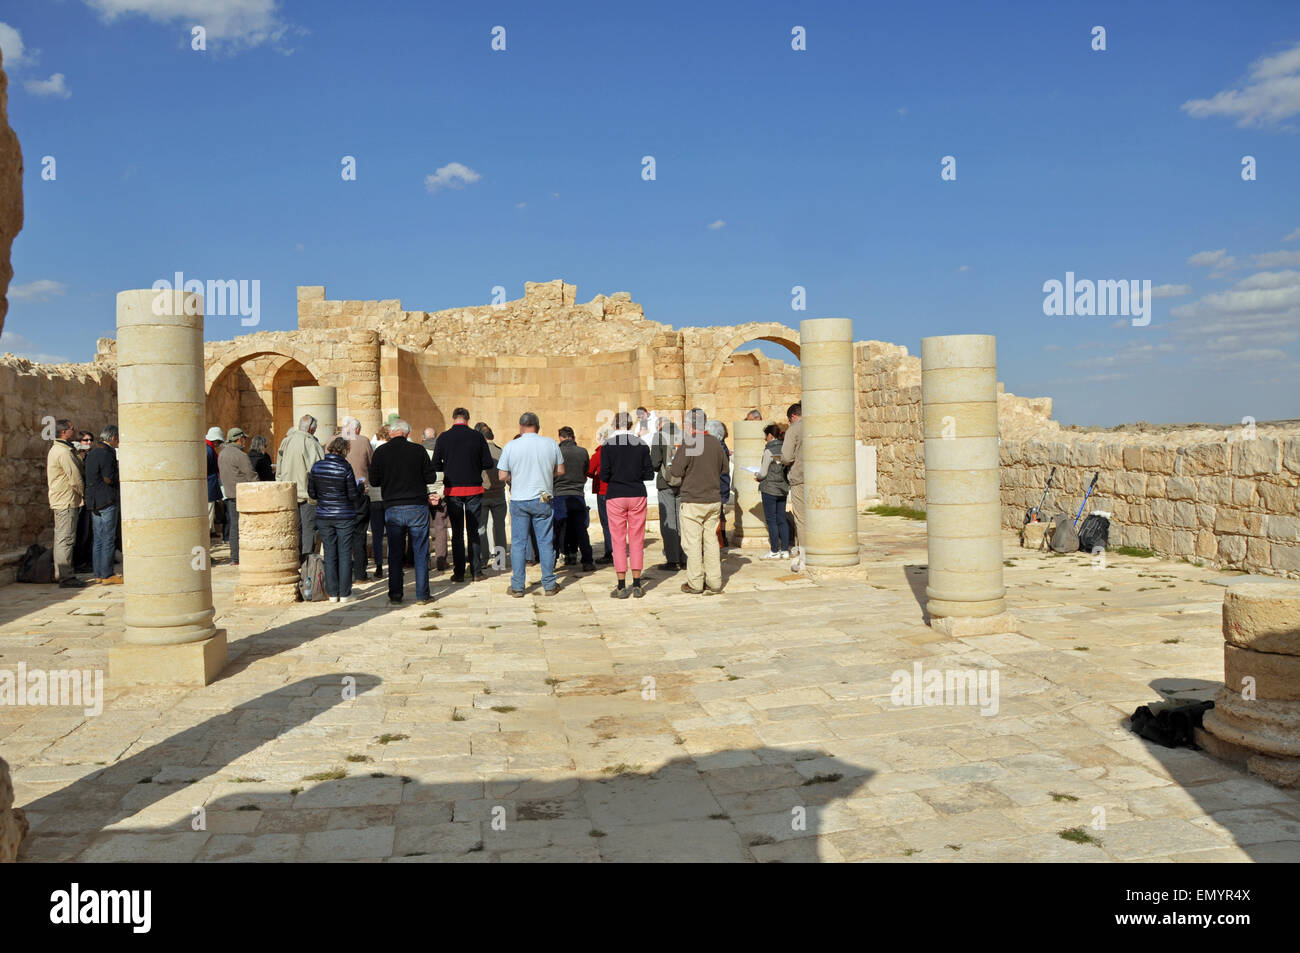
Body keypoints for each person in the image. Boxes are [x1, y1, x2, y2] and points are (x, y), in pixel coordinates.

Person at [496, 411, 564, 597]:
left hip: (519, 499)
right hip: (543, 498)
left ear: (520, 426)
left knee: (518, 543)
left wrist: (516, 478)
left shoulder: (511, 446)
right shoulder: (550, 443)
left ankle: (518, 586)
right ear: (538, 426)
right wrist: (544, 476)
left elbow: (502, 476)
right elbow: (560, 470)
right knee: (545, 541)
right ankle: (549, 584)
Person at [369, 418, 437, 605]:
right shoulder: (418, 450)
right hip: (417, 506)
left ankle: (396, 594)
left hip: (393, 507)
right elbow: (430, 477)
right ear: (407, 433)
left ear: (391, 433)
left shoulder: (381, 452)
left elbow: (374, 481)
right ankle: (422, 595)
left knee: (395, 552)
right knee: (421, 551)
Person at [668, 408, 729, 595]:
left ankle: (695, 583)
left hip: (693, 500)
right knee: (710, 540)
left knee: (692, 543)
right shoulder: (716, 444)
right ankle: (715, 581)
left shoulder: (689, 443)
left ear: (689, 426)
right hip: (712, 499)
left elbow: (676, 472)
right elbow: (724, 469)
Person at [432, 408, 495, 583]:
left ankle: (459, 572)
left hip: (453, 491)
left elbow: (435, 465)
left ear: (453, 419)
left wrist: (450, 466)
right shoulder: (477, 437)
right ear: (468, 419)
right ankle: (476, 572)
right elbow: (488, 463)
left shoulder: (443, 437)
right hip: (474, 489)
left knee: (458, 533)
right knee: (473, 531)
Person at [599, 412, 654, 598]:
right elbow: (649, 474)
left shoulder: (608, 446)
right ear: (631, 425)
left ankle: (621, 585)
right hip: (637, 493)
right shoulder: (641, 445)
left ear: (615, 426)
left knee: (618, 540)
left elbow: (604, 475)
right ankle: (637, 583)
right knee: (637, 538)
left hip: (615, 495)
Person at [308, 436, 365, 602]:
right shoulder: (345, 467)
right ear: (344, 450)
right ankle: (345, 593)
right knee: (345, 553)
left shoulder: (317, 467)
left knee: (330, 553)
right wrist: (360, 488)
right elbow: (352, 495)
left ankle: (332, 593)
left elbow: (312, 493)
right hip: (344, 515)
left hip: (324, 514)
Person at [277, 415, 324, 561]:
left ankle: (294, 558)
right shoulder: (310, 443)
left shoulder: (286, 441)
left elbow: (279, 468)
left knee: (294, 528)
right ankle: (307, 562)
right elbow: (317, 470)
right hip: (306, 494)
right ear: (311, 429)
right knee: (309, 529)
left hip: (289, 492)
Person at [46, 419, 86, 588]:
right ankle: (66, 577)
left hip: (62, 500)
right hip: (66, 501)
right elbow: (74, 477)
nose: (74, 430)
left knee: (62, 538)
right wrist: (84, 495)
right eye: (71, 428)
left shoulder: (60, 449)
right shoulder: (63, 452)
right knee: (66, 539)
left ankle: (60, 573)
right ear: (64, 432)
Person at [84, 425, 121, 585]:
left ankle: (99, 574)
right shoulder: (107, 453)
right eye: (118, 438)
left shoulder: (92, 452)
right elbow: (108, 478)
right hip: (106, 500)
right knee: (107, 538)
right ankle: (107, 574)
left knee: (98, 539)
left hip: (93, 501)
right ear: (112, 437)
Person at [341, 417, 375, 585]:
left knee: (342, 535)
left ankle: (343, 574)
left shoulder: (332, 441)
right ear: (356, 429)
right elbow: (372, 463)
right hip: (360, 492)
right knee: (359, 533)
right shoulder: (363, 441)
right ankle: (360, 574)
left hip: (339, 495)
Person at [554, 426, 594, 571]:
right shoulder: (582, 452)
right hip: (577, 494)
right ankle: (587, 561)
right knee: (581, 529)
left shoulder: (556, 451)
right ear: (573, 436)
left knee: (557, 530)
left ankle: (551, 562)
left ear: (561, 437)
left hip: (559, 494)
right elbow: (585, 472)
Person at [649, 416, 685, 571]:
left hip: (665, 483)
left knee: (669, 521)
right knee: (682, 520)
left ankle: (672, 560)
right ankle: (685, 558)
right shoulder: (685, 435)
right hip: (684, 483)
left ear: (659, 426)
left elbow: (655, 463)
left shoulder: (658, 437)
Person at [217, 428, 257, 565]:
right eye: (244, 439)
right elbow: (251, 475)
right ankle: (245, 555)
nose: (245, 441)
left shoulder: (222, 454)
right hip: (243, 495)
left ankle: (235, 557)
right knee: (247, 526)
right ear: (240, 439)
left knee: (234, 526)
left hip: (229, 494)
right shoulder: (240, 455)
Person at [476, 423, 508, 570]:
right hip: (499, 494)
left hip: (482, 494)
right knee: (499, 527)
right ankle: (500, 561)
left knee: (481, 527)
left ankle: (483, 559)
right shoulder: (501, 451)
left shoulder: (477, 451)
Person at [755, 423, 790, 558]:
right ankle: (785, 550)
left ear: (770, 435)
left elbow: (763, 473)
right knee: (782, 519)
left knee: (771, 520)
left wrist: (757, 476)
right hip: (782, 488)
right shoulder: (785, 448)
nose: (766, 439)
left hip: (769, 489)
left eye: (766, 436)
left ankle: (774, 550)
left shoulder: (768, 450)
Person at [421, 427, 450, 572]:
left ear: (423, 438)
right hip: (440, 495)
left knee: (423, 528)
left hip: (423, 495)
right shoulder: (443, 452)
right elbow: (448, 476)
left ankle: (424, 561)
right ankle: (441, 560)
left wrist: (426, 495)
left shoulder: (418, 452)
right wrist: (439, 494)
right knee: (441, 528)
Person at [585, 426, 614, 563]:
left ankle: (610, 551)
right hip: (617, 491)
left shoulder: (600, 453)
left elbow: (589, 471)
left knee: (606, 523)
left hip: (603, 491)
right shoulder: (617, 451)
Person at [367, 425, 390, 577]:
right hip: (388, 495)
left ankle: (379, 566)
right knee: (392, 532)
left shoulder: (372, 448)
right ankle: (394, 562)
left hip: (374, 495)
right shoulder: (391, 451)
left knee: (376, 533)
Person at [706, 420, 732, 547]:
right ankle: (723, 538)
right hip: (721, 483)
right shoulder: (721, 446)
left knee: (718, 514)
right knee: (720, 513)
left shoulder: (718, 447)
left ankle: (721, 539)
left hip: (718, 484)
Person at [784, 402, 805, 559]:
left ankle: (804, 551)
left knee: (801, 517)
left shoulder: (794, 429)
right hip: (819, 478)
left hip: (799, 476)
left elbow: (786, 456)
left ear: (793, 416)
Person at [205, 426, 224, 539]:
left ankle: (211, 530)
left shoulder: (208, 448)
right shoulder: (208, 450)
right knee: (210, 509)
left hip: (211, 483)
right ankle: (208, 531)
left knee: (211, 509)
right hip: (210, 484)